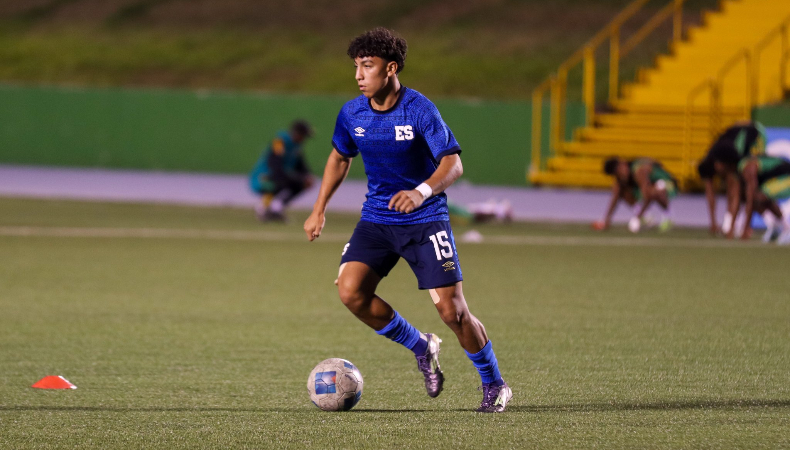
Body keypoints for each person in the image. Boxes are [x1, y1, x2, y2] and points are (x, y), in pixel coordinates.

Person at [303, 27, 511, 413]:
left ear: (391, 68)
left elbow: (453, 162)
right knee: (351, 292)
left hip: (426, 220)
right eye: (356, 66)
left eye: (367, 66)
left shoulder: (419, 109)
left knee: (453, 311)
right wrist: (319, 208)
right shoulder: (352, 113)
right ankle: (422, 345)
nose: (358, 75)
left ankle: (494, 383)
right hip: (378, 218)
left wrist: (422, 191)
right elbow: (339, 156)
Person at [697, 121, 766, 235]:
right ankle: (730, 225)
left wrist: (735, 227)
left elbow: (735, 194)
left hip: (756, 133)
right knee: (735, 189)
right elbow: (710, 194)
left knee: (745, 191)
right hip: (734, 137)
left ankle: (736, 225)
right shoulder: (707, 164)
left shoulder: (737, 157)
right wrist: (713, 222)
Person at [249, 120, 314, 221]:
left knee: (301, 183)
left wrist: (307, 176)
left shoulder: (297, 147)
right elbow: (275, 163)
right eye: (303, 135)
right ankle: (262, 208)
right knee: (280, 181)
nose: (304, 139)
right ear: (296, 133)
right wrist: (294, 178)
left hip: (282, 175)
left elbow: (301, 165)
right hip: (264, 176)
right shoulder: (280, 141)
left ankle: (276, 208)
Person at [594, 157, 677, 233]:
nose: (618, 176)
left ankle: (668, 216)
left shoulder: (639, 170)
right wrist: (607, 220)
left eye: (617, 172)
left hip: (668, 184)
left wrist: (637, 218)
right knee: (620, 190)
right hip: (651, 187)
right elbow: (615, 198)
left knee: (656, 189)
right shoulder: (621, 178)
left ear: (622, 165)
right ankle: (646, 217)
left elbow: (648, 196)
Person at [736, 154, 790, 243]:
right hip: (778, 177)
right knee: (759, 197)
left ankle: (787, 228)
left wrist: (746, 228)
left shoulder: (748, 169)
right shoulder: (744, 167)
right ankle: (776, 226)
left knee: (759, 197)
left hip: (787, 176)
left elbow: (751, 200)